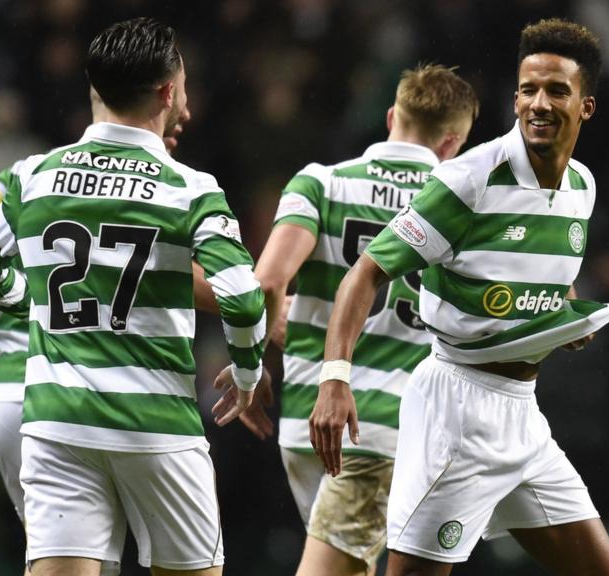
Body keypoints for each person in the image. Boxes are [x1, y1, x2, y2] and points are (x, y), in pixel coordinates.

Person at [310, 18, 609, 575]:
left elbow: (547, 270)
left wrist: (564, 317)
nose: (539, 102)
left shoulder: (582, 186)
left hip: (524, 417)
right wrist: (335, 377)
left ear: (586, 107)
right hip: (456, 410)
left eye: (558, 90)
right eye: (529, 89)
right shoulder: (469, 179)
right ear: (514, 99)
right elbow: (363, 274)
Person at [0, 17, 266, 576]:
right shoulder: (190, 187)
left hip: (58, 420)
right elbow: (243, 297)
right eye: (186, 90)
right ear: (168, 92)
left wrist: (34, 304)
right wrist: (246, 375)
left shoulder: (33, 176)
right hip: (157, 424)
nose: (189, 109)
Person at [241, 64, 478, 576]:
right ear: (452, 144)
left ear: (393, 116)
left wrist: (255, 358)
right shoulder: (464, 207)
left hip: (306, 421)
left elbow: (265, 283)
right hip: (390, 430)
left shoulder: (321, 182)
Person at [0, 87, 193, 530]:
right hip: (96, 392)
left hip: (10, 390)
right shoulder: (149, 189)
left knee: (51, 555)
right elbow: (196, 286)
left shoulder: (20, 178)